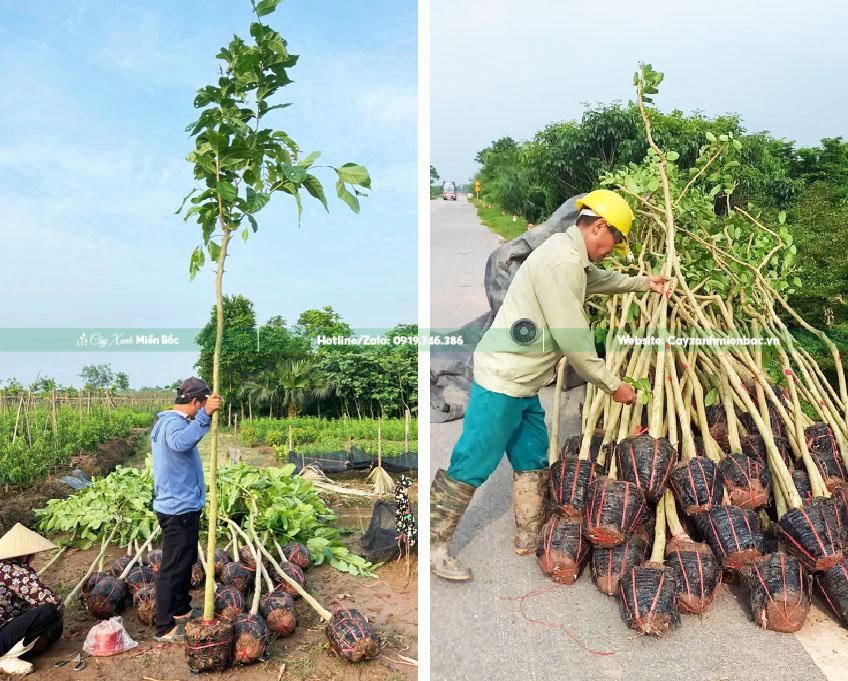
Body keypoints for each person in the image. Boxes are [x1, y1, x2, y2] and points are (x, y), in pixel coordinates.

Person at [431, 189, 671, 581]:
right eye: (616, 240)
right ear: (598, 228)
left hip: (525, 380)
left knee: (532, 456)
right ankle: (435, 545)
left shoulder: (571, 254)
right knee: (473, 460)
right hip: (504, 378)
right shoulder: (561, 261)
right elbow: (574, 339)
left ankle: (528, 536)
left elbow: (597, 279)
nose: (614, 249)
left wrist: (643, 283)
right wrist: (613, 385)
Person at [150, 377, 222, 642]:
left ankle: (180, 609)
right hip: (178, 510)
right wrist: (205, 416)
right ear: (195, 402)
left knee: (184, 562)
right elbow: (181, 443)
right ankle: (165, 626)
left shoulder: (166, 422)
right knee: (173, 567)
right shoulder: (172, 424)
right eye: (201, 405)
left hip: (181, 506)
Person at [0, 523, 64, 673]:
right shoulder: (17, 573)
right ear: (25, 554)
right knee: (50, 613)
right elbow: (53, 603)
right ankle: (4, 657)